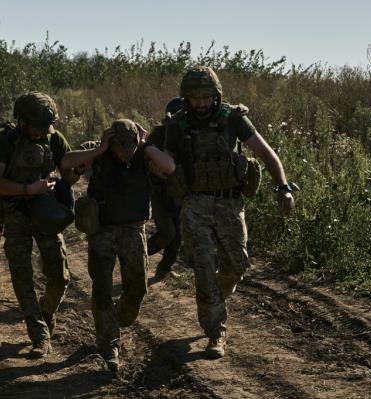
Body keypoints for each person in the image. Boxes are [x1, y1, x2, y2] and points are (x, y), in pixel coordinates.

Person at [164, 66, 295, 359]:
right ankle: (216, 332)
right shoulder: (178, 124)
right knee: (204, 269)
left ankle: (215, 299)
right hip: (195, 204)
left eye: (205, 96)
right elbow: (168, 161)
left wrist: (283, 188)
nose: (200, 103)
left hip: (229, 202)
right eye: (194, 97)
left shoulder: (232, 119)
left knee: (237, 264)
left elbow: (265, 152)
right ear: (185, 97)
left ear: (216, 95)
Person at [61, 119, 175, 371]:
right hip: (102, 230)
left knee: (137, 287)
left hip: (134, 230)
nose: (126, 151)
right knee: (101, 287)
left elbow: (169, 167)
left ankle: (117, 318)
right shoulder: (99, 152)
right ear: (111, 142)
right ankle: (108, 344)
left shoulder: (144, 155)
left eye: (131, 145)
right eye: (121, 146)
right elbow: (67, 163)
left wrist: (145, 145)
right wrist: (99, 150)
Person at [0, 92, 82, 358]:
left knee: (60, 277)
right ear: (21, 121)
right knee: (22, 276)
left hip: (46, 214)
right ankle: (39, 335)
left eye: (45, 127)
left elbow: (68, 177)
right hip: (16, 214)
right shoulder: (3, 141)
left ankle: (46, 312)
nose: (40, 133)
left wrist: (76, 172)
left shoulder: (55, 139)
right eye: (35, 127)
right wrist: (29, 189)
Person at [146, 97, 185, 278]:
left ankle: (164, 269)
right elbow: (151, 164)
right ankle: (137, 257)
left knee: (177, 236)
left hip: (179, 192)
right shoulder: (158, 135)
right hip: (160, 191)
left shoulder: (187, 134)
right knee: (167, 233)